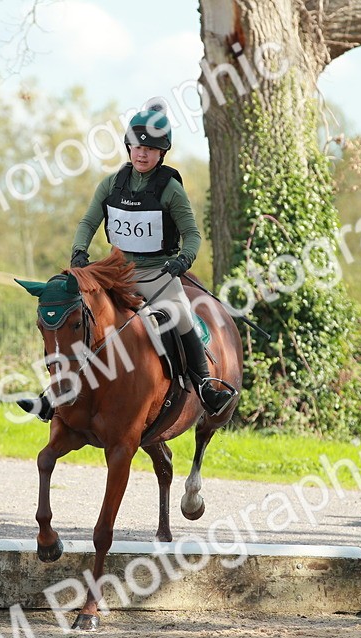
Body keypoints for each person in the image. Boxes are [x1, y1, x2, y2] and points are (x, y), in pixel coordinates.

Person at [67, 102, 236, 417]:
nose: (142, 154)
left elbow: (192, 235)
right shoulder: (111, 184)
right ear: (128, 147)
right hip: (114, 270)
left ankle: (205, 386)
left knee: (180, 315)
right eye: (137, 147)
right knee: (72, 307)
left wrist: (183, 259)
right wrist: (80, 250)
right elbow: (88, 223)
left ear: (162, 153)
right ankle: (57, 389)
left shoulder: (170, 190)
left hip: (157, 272)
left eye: (150, 149)